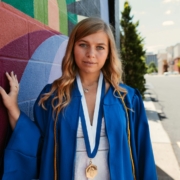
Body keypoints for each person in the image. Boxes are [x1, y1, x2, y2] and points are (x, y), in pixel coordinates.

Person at [0, 17, 157, 180]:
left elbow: (144, 153)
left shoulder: (128, 99)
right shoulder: (54, 97)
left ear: (109, 52)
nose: (91, 54)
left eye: (100, 47)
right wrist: (13, 108)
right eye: (83, 44)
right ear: (72, 47)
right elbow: (36, 143)